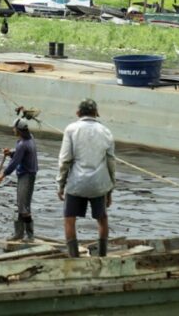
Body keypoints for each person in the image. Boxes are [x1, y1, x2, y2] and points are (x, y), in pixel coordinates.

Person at [57, 98, 116, 258]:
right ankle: (103, 256)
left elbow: (65, 160)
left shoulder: (71, 130)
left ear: (77, 113)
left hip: (76, 184)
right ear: (96, 113)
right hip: (99, 185)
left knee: (69, 219)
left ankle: (74, 257)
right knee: (102, 218)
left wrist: (61, 185)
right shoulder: (106, 131)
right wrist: (110, 190)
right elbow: (111, 163)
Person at [0, 113, 39, 241]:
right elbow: (20, 155)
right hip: (28, 174)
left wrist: (0, 178)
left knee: (23, 206)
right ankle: (19, 234)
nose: (13, 130)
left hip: (27, 176)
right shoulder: (29, 139)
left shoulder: (23, 144)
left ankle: (29, 235)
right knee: (22, 204)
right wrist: (11, 153)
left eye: (14, 128)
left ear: (19, 130)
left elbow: (14, 164)